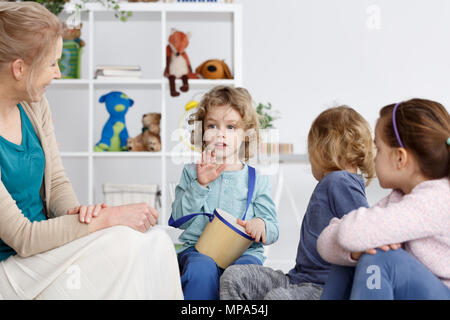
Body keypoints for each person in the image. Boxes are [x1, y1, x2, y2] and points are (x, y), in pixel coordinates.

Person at [0, 2, 182, 299]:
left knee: (157, 242)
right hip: (10, 268)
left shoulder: (35, 105)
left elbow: (56, 182)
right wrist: (105, 219)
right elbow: (23, 237)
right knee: (124, 245)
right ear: (20, 69)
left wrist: (78, 213)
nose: (58, 73)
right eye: (51, 64)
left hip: (45, 252)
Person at [220, 106, 375, 300]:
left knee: (278, 298)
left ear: (321, 150)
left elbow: (365, 230)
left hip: (324, 287)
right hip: (298, 278)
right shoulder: (333, 182)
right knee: (235, 277)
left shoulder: (340, 181)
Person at [318, 98, 450, 300]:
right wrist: (354, 252)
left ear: (400, 158)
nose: (374, 157)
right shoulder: (399, 198)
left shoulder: (438, 198)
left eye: (378, 149)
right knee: (353, 257)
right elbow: (325, 241)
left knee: (379, 256)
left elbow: (348, 232)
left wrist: (359, 242)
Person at [170, 86, 279, 300]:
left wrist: (262, 224)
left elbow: (273, 228)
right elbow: (179, 219)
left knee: (241, 275)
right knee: (201, 270)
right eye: (212, 125)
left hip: (245, 253)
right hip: (198, 251)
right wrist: (200, 185)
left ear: (246, 134)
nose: (220, 133)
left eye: (231, 127)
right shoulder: (192, 172)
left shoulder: (257, 180)